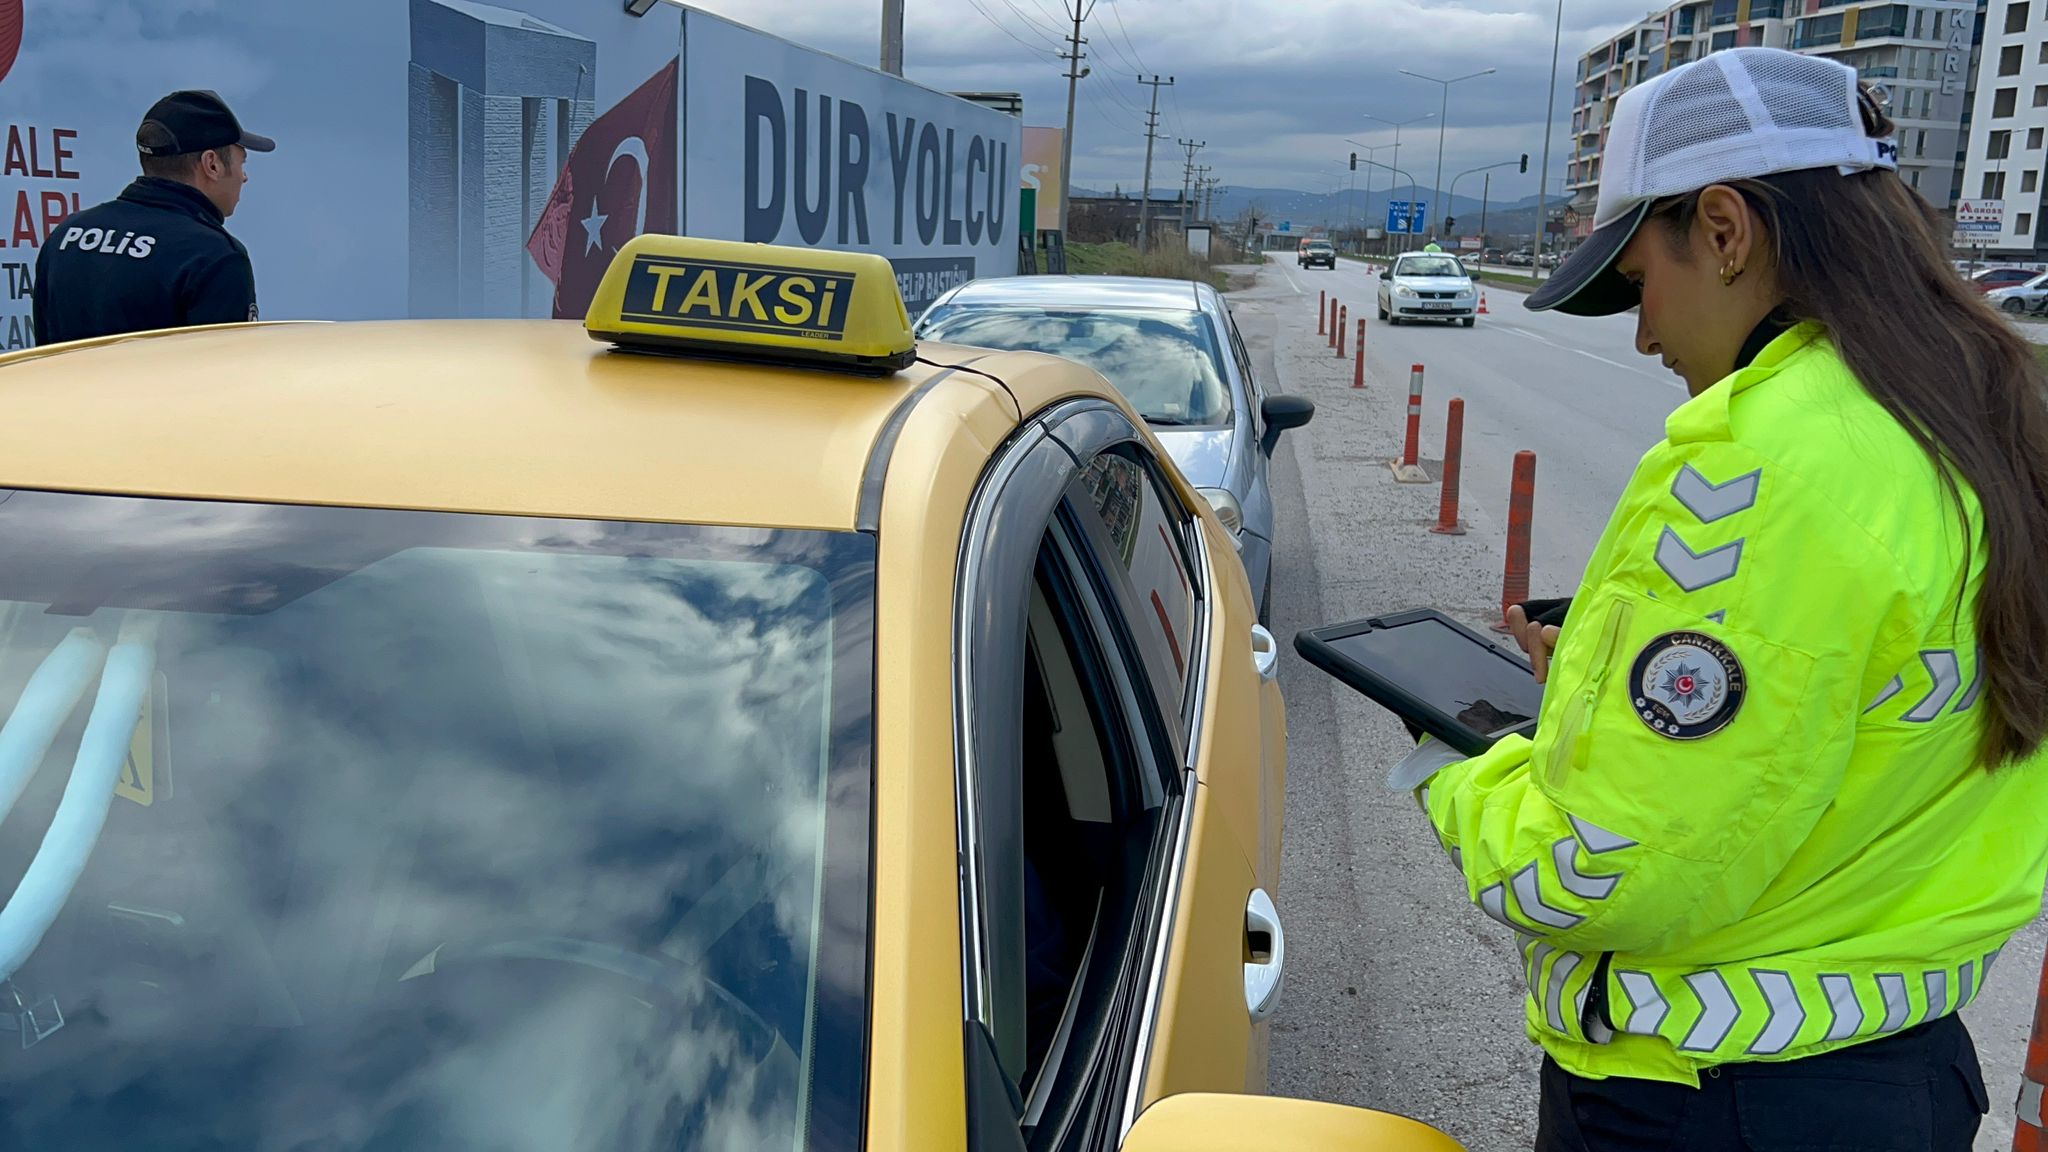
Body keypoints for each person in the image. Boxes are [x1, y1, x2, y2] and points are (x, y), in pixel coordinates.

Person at [1403, 48, 2048, 1150]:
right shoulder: (1986, 411)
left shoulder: (1762, 470)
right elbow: (1854, 719)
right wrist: (1592, 698)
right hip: (1896, 1079)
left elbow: (1599, 874)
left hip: (1711, 1101)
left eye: (1637, 286)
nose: (1644, 335)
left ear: (1721, 229)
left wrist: (1457, 764)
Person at [32, 90, 274, 347]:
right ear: (212, 164)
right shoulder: (215, 256)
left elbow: (46, 359)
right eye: (242, 164)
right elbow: (224, 377)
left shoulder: (67, 235)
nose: (244, 177)